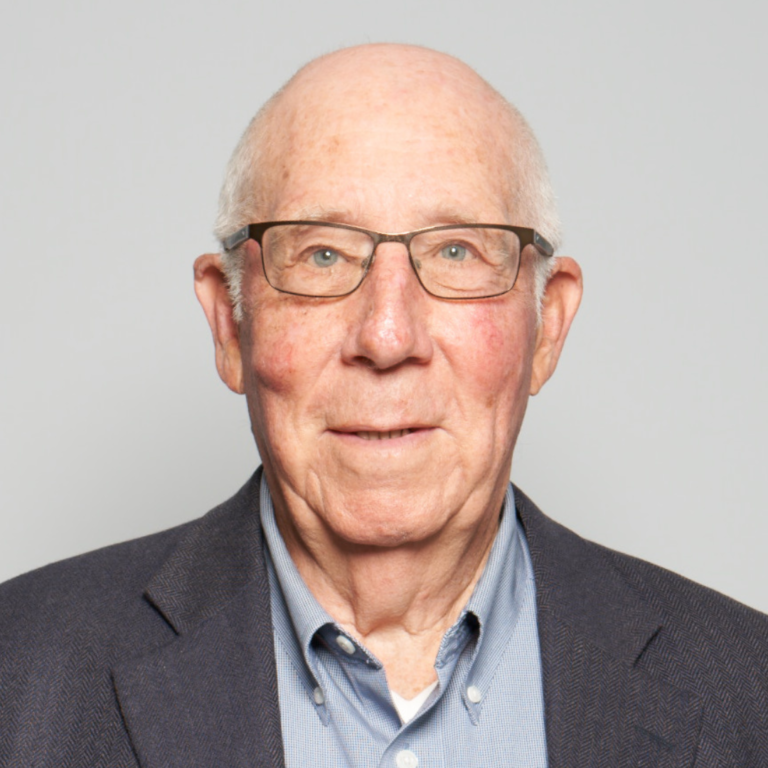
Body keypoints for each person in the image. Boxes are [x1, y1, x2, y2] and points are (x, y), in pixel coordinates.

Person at [0, 43, 766, 768]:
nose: (388, 336)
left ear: (548, 327)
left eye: (457, 251)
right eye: (322, 254)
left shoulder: (746, 689)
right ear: (230, 323)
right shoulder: (20, 673)